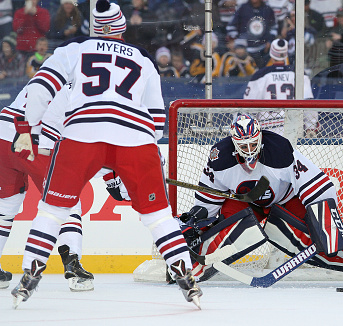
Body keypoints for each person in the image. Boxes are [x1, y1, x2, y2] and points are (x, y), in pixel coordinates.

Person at [10, 0, 201, 308]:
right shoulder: (143, 58)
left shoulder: (73, 49)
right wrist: (140, 158)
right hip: (135, 137)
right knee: (158, 217)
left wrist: (25, 129)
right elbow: (157, 118)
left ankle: (29, 276)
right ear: (122, 28)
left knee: (52, 211)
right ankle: (186, 278)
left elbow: (40, 88)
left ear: (94, 28)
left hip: (82, 132)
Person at [178, 114, 343, 287]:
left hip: (286, 199)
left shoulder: (279, 151)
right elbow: (208, 202)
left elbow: (318, 184)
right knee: (222, 235)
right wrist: (197, 221)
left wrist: (325, 223)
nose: (249, 150)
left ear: (260, 138)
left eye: (253, 144)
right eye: (243, 146)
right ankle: (184, 266)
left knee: (316, 240)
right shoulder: (219, 159)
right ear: (233, 144)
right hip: (244, 203)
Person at [0, 87, 97, 292]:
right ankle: (73, 266)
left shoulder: (52, 71)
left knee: (5, 207)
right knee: (67, 202)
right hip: (36, 141)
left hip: (2, 134)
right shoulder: (86, 85)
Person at [243, 39, 317, 136]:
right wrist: (310, 127)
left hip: (267, 130)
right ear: (286, 54)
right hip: (293, 128)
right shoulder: (298, 73)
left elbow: (249, 107)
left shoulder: (260, 75)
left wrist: (247, 129)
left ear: (271, 54)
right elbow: (308, 103)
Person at [226, 0, 277, 67]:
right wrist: (236, 42)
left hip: (263, 48)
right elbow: (231, 26)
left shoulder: (268, 9)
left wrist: (270, 41)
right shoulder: (243, 8)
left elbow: (274, 27)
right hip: (245, 48)